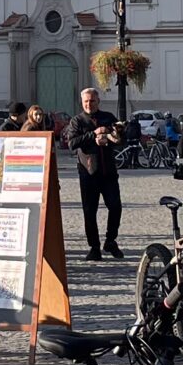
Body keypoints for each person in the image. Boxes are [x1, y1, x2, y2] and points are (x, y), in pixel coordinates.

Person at [72, 87, 125, 259]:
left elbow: (119, 140)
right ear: (82, 102)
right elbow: (72, 142)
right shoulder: (77, 121)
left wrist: (115, 135)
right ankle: (94, 247)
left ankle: (110, 241)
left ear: (98, 101)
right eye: (86, 101)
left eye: (92, 101)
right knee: (89, 211)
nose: (89, 104)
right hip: (88, 172)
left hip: (108, 172)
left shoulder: (108, 117)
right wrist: (93, 135)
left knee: (115, 207)